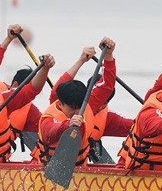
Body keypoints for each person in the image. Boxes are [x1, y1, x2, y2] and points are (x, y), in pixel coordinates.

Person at [33, 37, 120, 165]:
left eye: (79, 109)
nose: (76, 113)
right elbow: (49, 133)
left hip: (79, 168)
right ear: (60, 104)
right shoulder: (50, 115)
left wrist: (108, 55)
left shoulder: (87, 105)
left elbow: (107, 86)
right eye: (72, 109)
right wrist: (67, 124)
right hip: (45, 167)